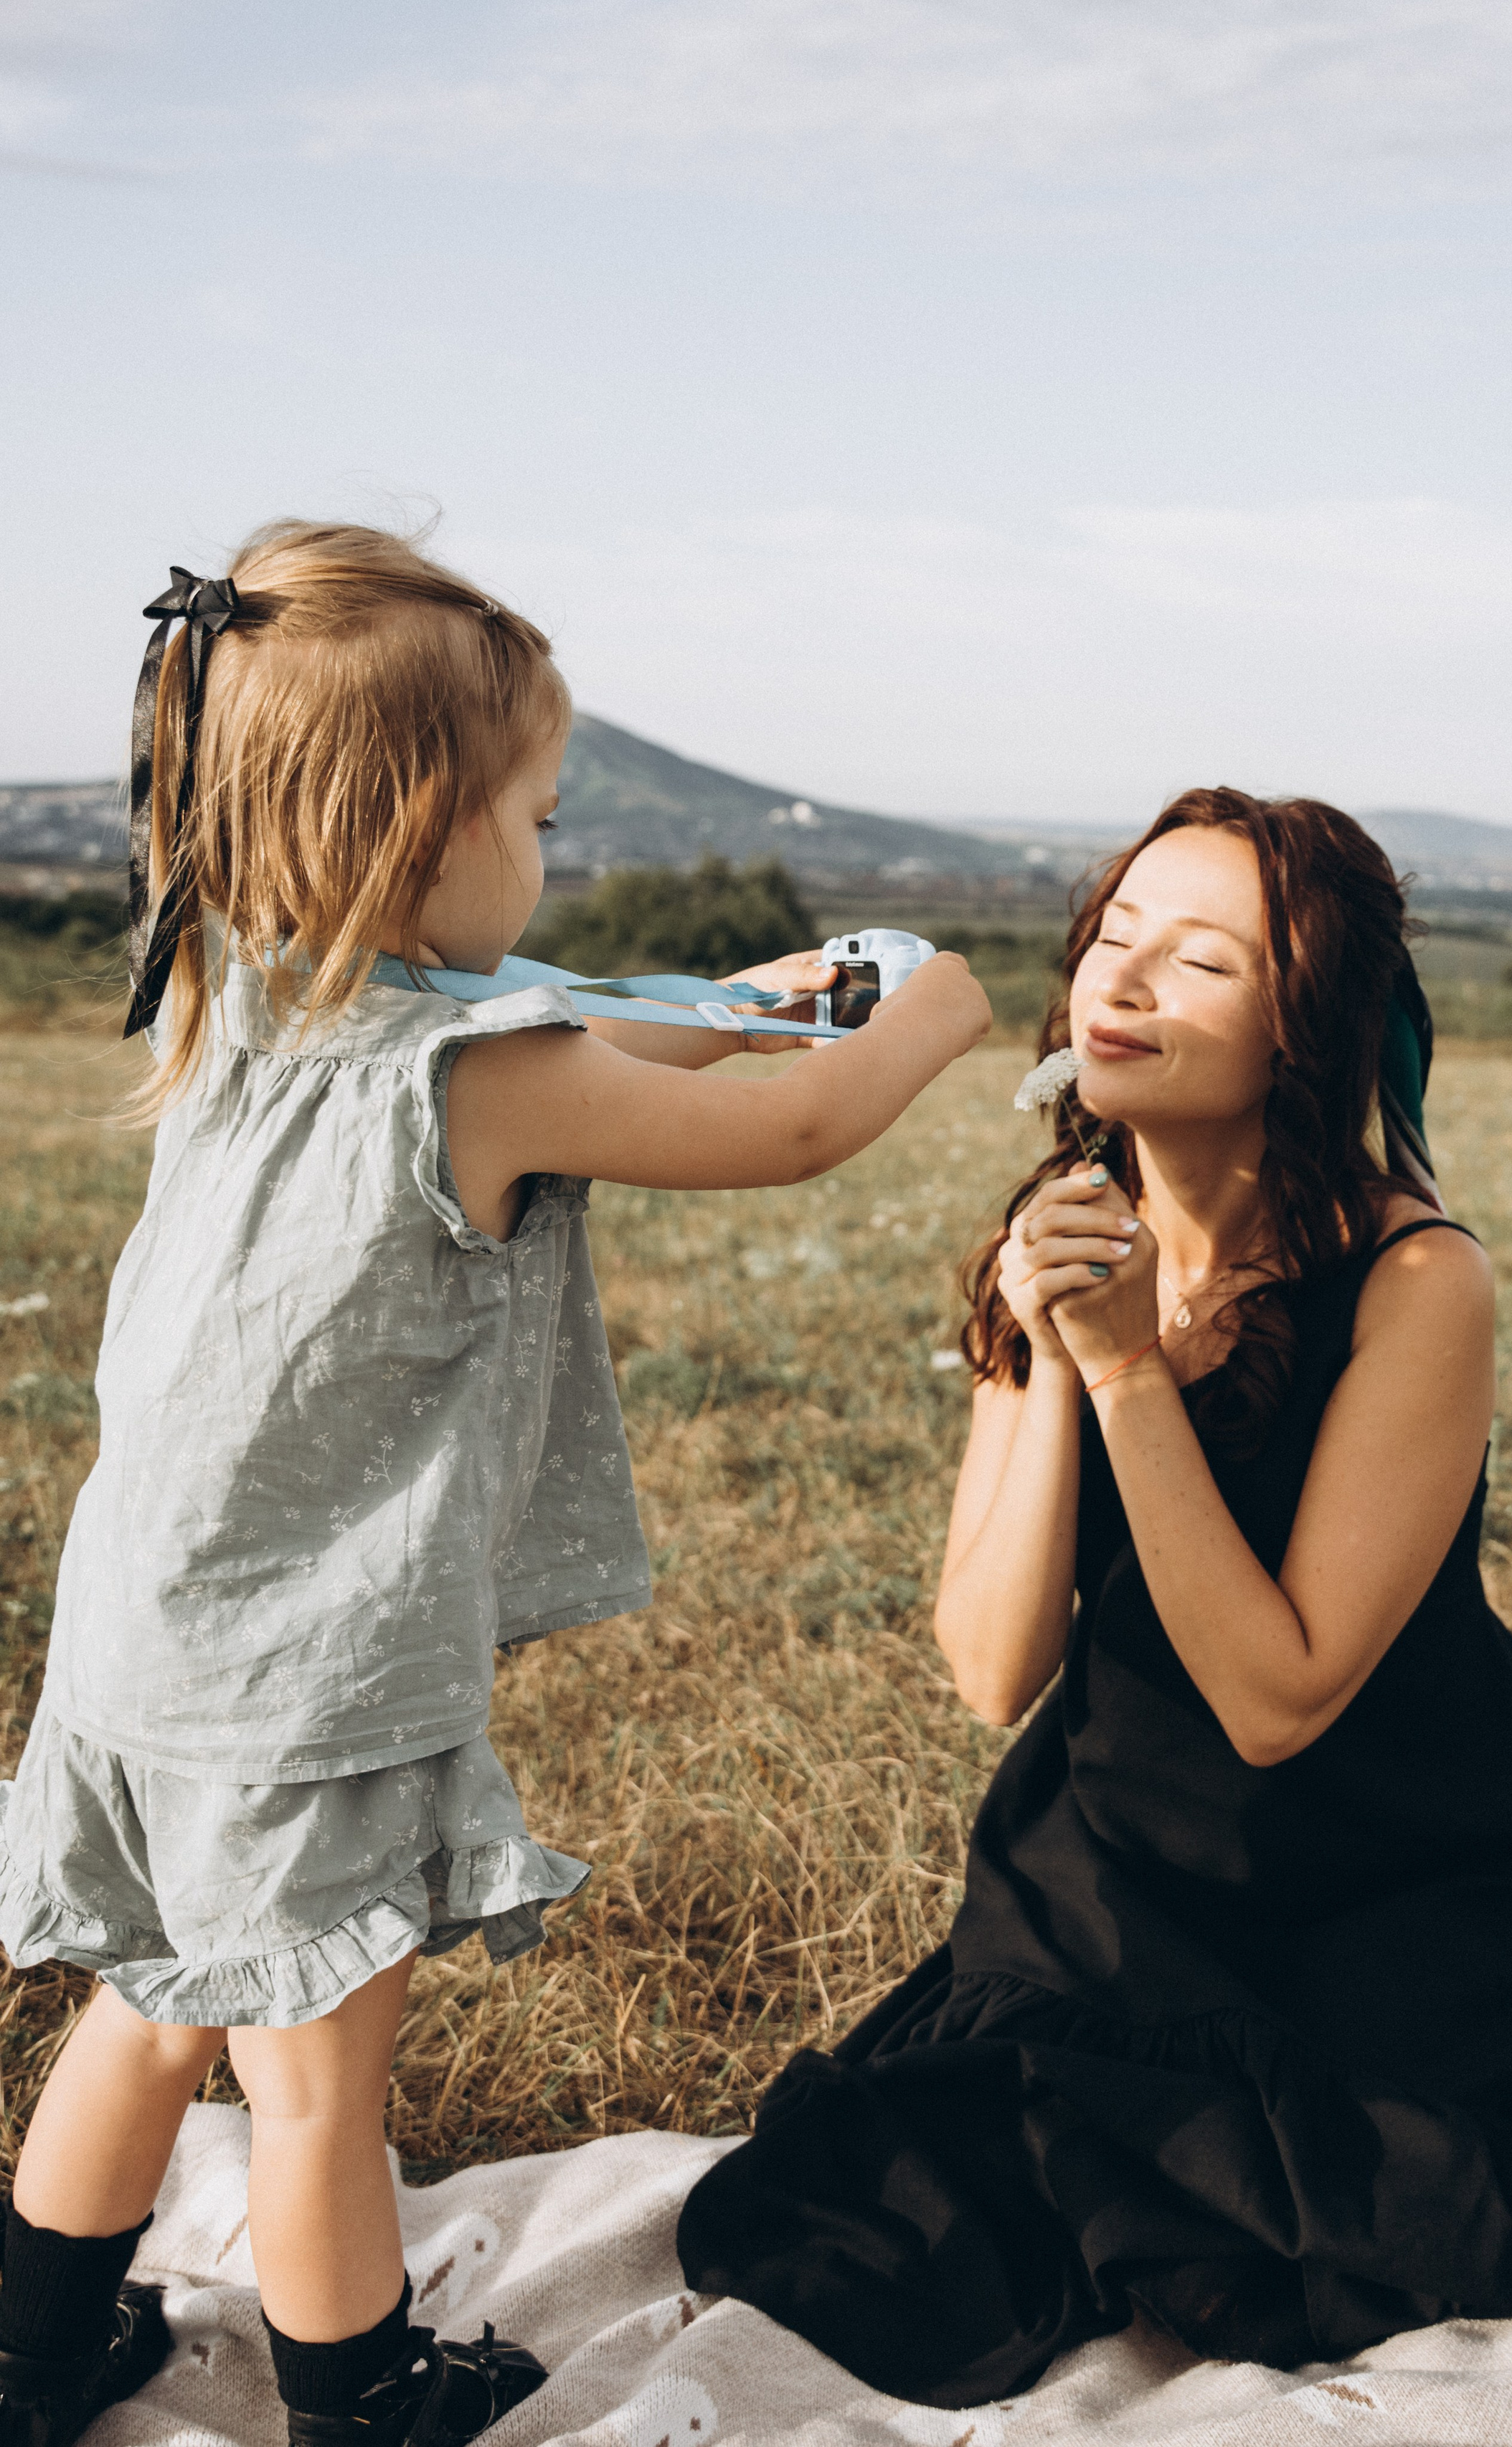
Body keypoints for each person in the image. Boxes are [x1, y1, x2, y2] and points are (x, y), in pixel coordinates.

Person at [0, 522, 990, 2447]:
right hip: (299, 1685)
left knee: (143, 2004)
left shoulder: (244, 977)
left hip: (144, 1645)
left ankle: (32, 2356)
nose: (547, 853)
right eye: (535, 814)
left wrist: (761, 987)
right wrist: (926, 1013)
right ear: (421, 832)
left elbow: (581, 1002)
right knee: (313, 2092)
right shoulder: (469, 1071)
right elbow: (772, 1128)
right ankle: (362, 2397)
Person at [678, 789, 1512, 2407]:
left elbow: (1280, 1700)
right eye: (1112, 938)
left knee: (1288, 2224)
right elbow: (994, 1662)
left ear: (1299, 1027)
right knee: (898, 2204)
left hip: (1379, 1853)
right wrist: (1053, 1352)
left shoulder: (1416, 1279)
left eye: (1198, 960)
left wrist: (1132, 1364)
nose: (1120, 985)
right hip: (1117, 1844)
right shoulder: (1056, 1229)